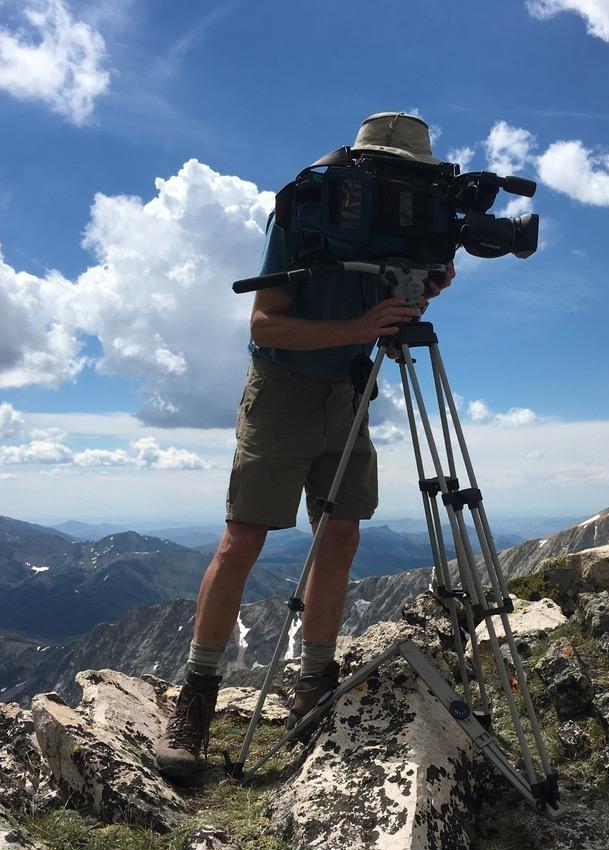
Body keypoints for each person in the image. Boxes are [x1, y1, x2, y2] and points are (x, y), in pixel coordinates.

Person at [155, 112, 456, 784]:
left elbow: (398, 308)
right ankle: (196, 696)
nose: (404, 193)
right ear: (364, 168)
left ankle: (313, 681)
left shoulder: (406, 226)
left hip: (348, 389)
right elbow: (265, 323)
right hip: (284, 388)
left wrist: (424, 285)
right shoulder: (308, 207)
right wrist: (359, 324)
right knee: (242, 542)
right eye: (396, 178)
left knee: (340, 534)